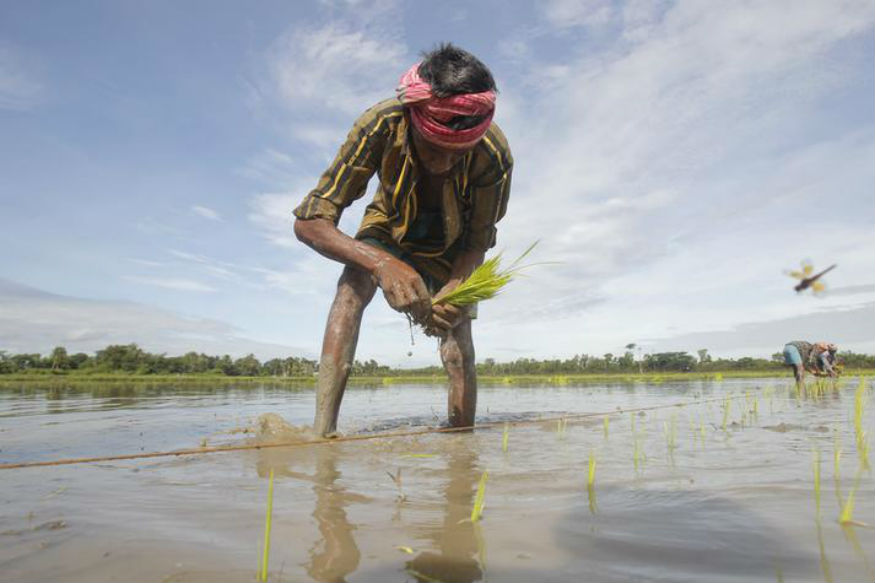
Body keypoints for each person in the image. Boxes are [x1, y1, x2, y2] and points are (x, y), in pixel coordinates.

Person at [292, 43, 512, 437]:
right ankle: (322, 434)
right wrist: (379, 263)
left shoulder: (492, 154)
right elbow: (310, 222)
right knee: (350, 289)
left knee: (458, 340)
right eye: (434, 149)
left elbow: (478, 241)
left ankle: (460, 446)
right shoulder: (381, 125)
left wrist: (456, 290)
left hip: (454, 241)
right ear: (414, 120)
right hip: (389, 225)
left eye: (457, 155)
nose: (444, 163)